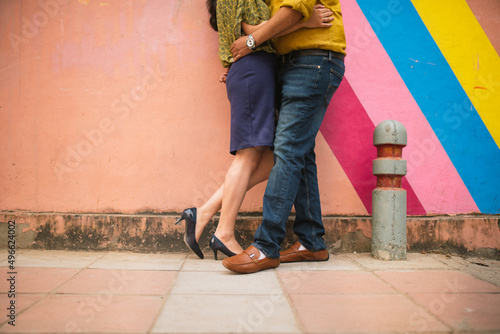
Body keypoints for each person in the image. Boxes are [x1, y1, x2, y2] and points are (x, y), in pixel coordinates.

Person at [175, 0, 335, 260]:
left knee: (278, 155)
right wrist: (305, 22)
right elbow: (255, 30)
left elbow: (248, 33)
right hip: (254, 68)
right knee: (250, 154)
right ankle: (224, 233)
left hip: (255, 69)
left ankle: (203, 213)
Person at [222, 0, 346, 273]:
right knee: (301, 151)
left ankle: (266, 246)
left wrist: (252, 42)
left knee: (288, 149)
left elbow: (293, 9)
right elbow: (280, 21)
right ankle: (312, 242)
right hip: (295, 63)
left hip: (313, 60)